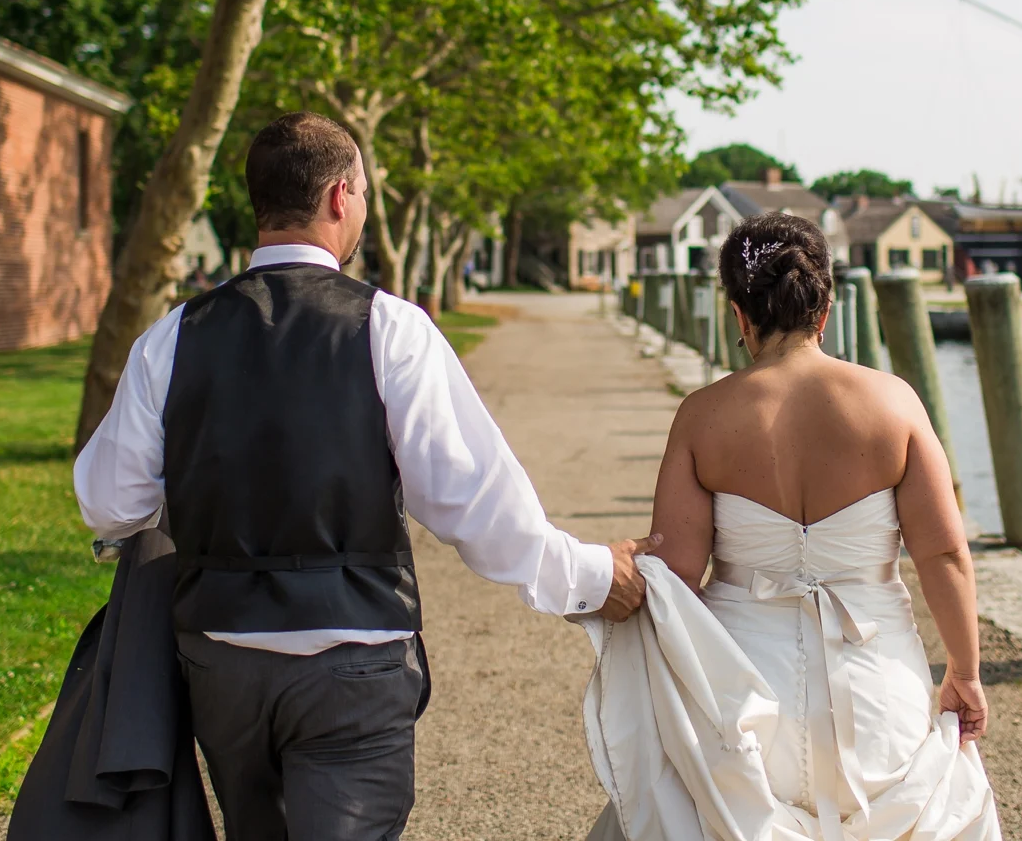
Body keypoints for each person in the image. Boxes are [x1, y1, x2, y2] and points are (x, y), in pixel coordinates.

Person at [75, 111, 657, 841]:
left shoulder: (173, 337)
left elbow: (106, 501)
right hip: (353, 663)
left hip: (222, 662)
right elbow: (473, 505)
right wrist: (596, 575)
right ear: (341, 197)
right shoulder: (388, 327)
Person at [581, 212, 1000, 840]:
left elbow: (677, 575)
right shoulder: (894, 403)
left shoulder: (702, 417)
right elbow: (944, 555)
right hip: (879, 691)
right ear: (825, 307)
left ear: (740, 316)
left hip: (744, 697)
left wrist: (594, 572)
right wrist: (964, 674)